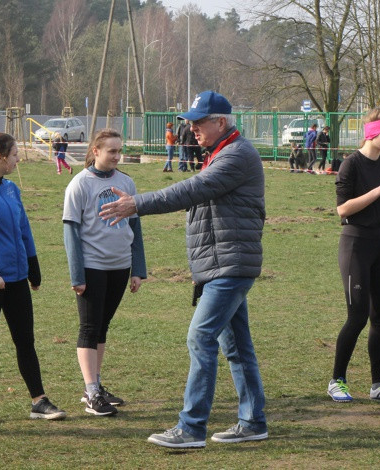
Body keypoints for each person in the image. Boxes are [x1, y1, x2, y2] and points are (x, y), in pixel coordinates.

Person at [100, 91, 267, 449]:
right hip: (221, 264)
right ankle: (253, 421)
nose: (191, 129)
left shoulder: (236, 155)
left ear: (220, 121)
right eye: (189, 123)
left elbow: (193, 190)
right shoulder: (220, 152)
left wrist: (136, 204)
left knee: (200, 337)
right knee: (236, 345)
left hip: (231, 265)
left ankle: (191, 428)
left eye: (198, 122)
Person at [0, 132, 66, 424]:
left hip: (16, 278)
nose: (18, 159)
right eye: (15, 154)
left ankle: (39, 401)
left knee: (25, 341)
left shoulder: (11, 189)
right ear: (0, 157)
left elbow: (23, 231)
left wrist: (33, 267)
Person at [326, 107, 380, 404]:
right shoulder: (351, 164)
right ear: (372, 133)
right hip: (355, 245)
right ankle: (337, 380)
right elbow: (343, 210)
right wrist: (378, 191)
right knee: (357, 315)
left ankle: (379, 384)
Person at [63, 129, 147, 416]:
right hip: (92, 267)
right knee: (89, 327)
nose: (116, 155)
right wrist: (77, 275)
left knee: (102, 326)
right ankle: (91, 392)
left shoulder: (127, 182)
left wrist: (138, 269)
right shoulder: (79, 184)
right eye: (111, 150)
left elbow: (135, 228)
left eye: (119, 150)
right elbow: (71, 233)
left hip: (120, 266)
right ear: (95, 151)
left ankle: (96, 384)